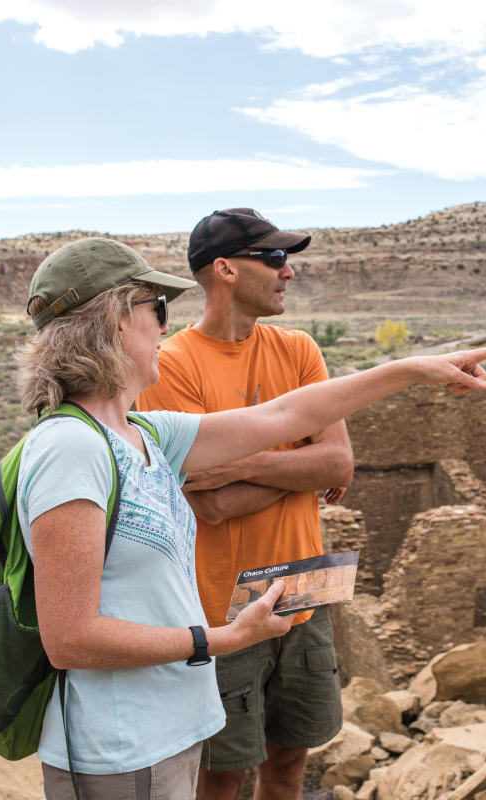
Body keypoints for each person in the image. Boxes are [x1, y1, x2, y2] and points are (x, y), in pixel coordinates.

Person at [15, 236, 486, 800]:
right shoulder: (71, 449)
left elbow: (288, 413)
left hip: (168, 729)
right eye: (156, 310)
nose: (163, 328)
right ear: (112, 325)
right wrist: (219, 639)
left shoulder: (148, 435)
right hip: (119, 747)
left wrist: (412, 369)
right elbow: (70, 638)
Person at [137, 208, 352, 800]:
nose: (289, 273)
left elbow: (338, 464)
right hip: (222, 601)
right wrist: (298, 467)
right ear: (226, 269)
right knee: (225, 774)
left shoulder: (300, 350)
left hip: (307, 580)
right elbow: (210, 505)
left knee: (289, 764)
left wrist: (248, 463)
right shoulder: (172, 364)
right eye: (276, 258)